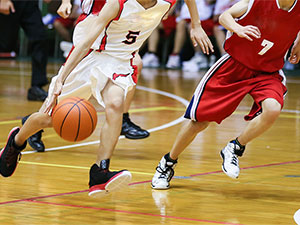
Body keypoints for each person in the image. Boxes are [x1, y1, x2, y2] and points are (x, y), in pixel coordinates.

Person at [0, 0, 213, 196]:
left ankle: (100, 173)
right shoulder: (117, 4)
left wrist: (196, 24)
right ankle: (17, 141)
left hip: (120, 61)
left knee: (116, 104)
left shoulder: (166, 2)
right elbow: (84, 43)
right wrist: (60, 79)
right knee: (49, 118)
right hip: (92, 54)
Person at [151, 0, 300, 189]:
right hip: (235, 66)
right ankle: (167, 163)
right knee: (199, 122)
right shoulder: (257, 2)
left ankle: (235, 147)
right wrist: (237, 28)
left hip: (267, 71)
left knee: (272, 109)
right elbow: (224, 16)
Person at [22, 0, 151, 153]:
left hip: (117, 25)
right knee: (69, 88)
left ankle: (123, 118)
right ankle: (36, 122)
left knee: (136, 62)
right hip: (93, 22)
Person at [0, 0, 48, 101]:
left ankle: (36, 87)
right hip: (9, 2)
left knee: (40, 37)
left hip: (29, 3)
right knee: (5, 44)